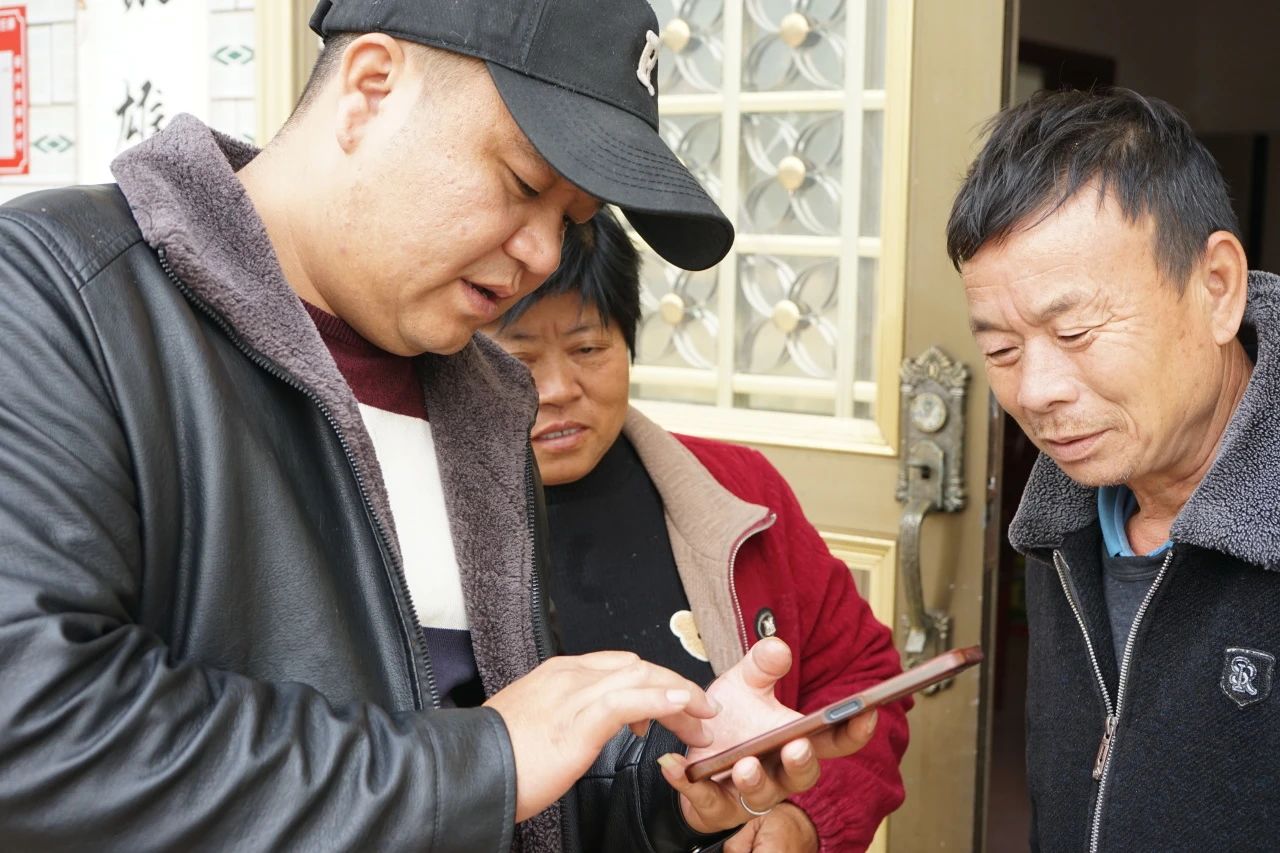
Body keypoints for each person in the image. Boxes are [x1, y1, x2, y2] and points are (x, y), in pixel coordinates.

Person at [0, 0, 879, 849]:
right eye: (523, 183)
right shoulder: (55, 296)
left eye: (570, 220)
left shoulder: (486, 399)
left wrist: (669, 790)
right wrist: (486, 762)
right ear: (371, 86)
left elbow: (491, 747)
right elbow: (36, 736)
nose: (542, 253)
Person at [487, 209, 910, 852]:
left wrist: (803, 821)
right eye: (518, 358)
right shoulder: (420, 526)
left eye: (588, 349)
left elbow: (862, 678)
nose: (556, 388)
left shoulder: (739, 490)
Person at [947, 86, 1280, 852]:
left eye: (1076, 329)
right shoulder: (1062, 527)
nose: (1034, 391)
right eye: (1001, 349)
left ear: (1217, 289)